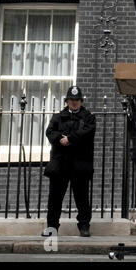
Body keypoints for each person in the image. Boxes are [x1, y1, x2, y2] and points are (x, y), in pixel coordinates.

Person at [42, 86, 96, 237]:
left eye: (77, 100)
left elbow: (87, 132)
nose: (74, 103)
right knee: (55, 198)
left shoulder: (88, 117)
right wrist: (60, 139)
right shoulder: (58, 117)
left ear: (81, 101)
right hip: (61, 163)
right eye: (71, 100)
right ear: (66, 101)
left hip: (80, 163)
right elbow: (50, 132)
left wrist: (70, 139)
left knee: (82, 198)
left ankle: (84, 227)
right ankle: (52, 227)